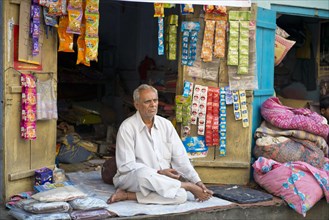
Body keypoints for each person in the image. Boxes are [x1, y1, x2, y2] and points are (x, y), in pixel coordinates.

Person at [107, 84, 213, 205]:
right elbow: (126, 166)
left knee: (181, 196)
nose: (153, 105)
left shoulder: (166, 125)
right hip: (135, 179)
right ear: (137, 105)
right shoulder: (127, 127)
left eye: (155, 100)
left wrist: (198, 182)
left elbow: (181, 158)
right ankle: (186, 186)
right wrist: (158, 172)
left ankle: (127, 195)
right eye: (147, 101)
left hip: (162, 181)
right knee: (143, 174)